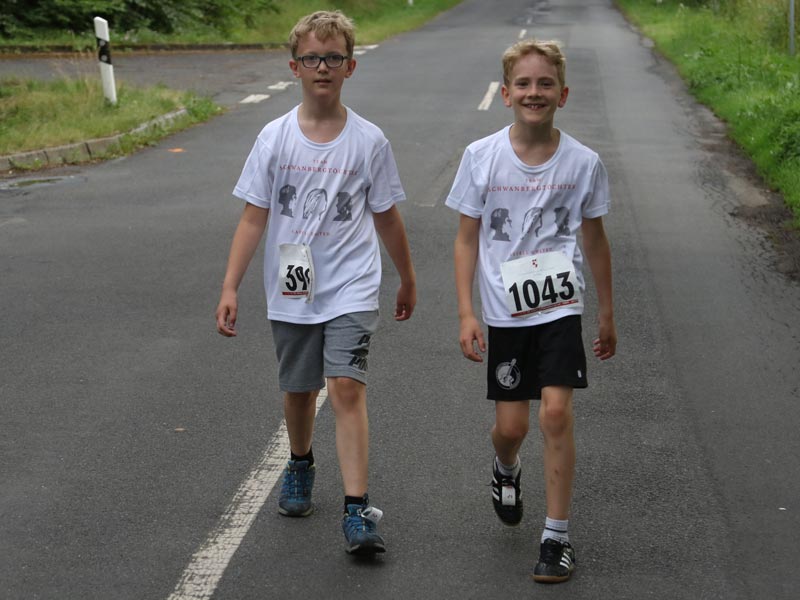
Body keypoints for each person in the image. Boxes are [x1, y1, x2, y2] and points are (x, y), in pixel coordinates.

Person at [215, 10, 416, 556]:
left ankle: (357, 510)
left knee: (346, 387)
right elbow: (253, 216)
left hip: (353, 281)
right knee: (300, 391)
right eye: (311, 58)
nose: (322, 67)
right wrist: (230, 286)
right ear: (294, 67)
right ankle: (301, 461)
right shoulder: (274, 137)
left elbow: (387, 216)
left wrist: (406, 277)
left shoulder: (369, 141)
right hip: (293, 284)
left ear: (350, 66)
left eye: (332, 58)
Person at [446, 39, 616, 583]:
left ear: (562, 94)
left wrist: (606, 312)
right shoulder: (482, 157)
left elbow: (595, 240)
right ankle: (505, 467)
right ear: (505, 94)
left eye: (545, 83)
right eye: (523, 83)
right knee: (512, 426)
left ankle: (556, 538)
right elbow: (466, 239)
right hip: (505, 312)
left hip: (561, 306)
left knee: (556, 414)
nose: (534, 92)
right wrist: (466, 313)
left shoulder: (584, 163)